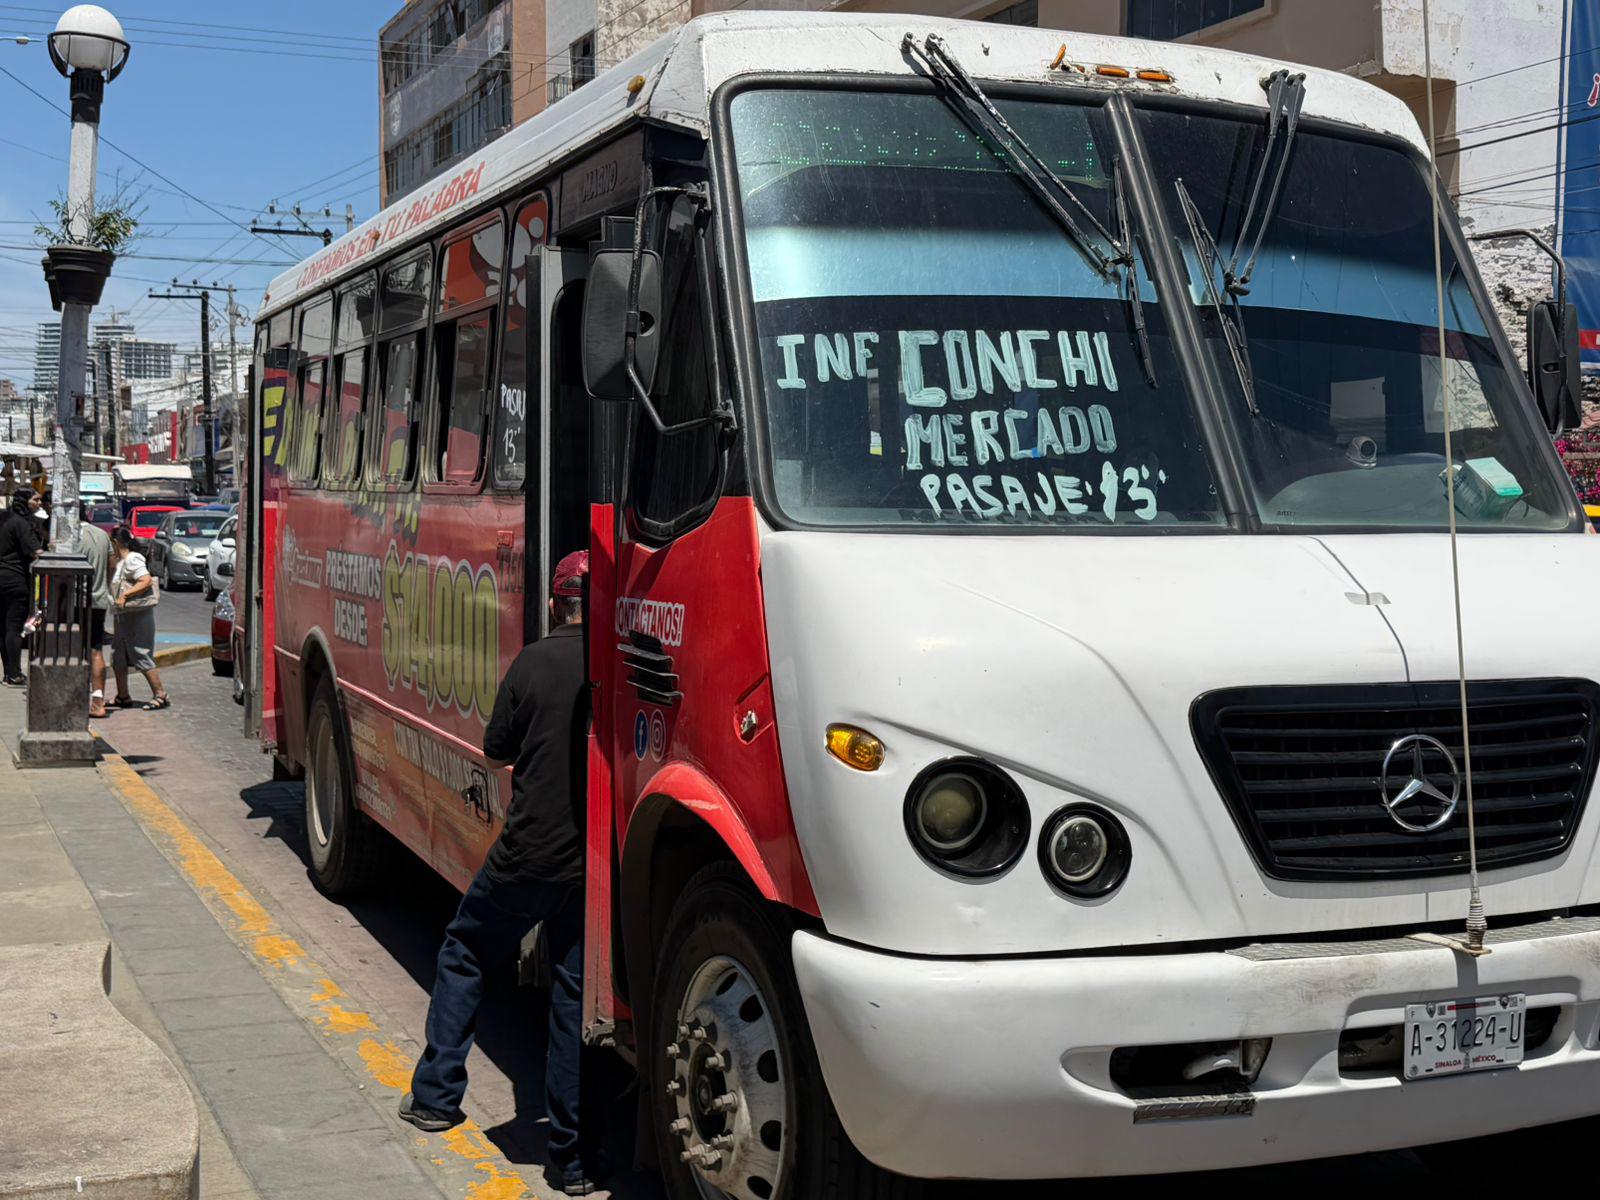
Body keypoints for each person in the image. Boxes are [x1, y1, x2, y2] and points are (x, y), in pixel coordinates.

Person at [401, 550, 594, 1195]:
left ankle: (434, 1096)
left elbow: (496, 748)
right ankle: (568, 1161)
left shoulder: (534, 661)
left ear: (555, 602)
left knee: (464, 949)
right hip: (586, 863)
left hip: (527, 854)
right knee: (571, 1001)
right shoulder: (615, 668)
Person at [109, 525, 169, 711]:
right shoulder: (119, 562)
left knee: (141, 654)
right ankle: (122, 695)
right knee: (118, 656)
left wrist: (125, 596)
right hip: (122, 615)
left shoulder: (133, 559)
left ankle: (161, 694)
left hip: (137, 616)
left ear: (116, 542)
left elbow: (145, 580)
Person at [0, 490, 44, 685]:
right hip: (15, 579)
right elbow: (36, 552)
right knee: (14, 627)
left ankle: (8, 672)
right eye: (35, 499)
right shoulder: (21, 523)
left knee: (2, 628)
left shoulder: (5, 519)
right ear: (24, 502)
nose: (39, 503)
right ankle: (15, 673)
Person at [77, 504, 114, 718]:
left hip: (74, 601)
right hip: (98, 599)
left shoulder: (68, 538)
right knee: (96, 649)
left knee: (73, 648)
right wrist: (104, 585)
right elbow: (112, 565)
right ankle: (98, 701)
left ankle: (75, 697)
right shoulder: (102, 534)